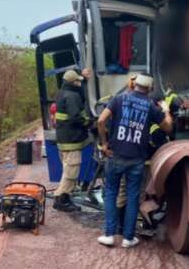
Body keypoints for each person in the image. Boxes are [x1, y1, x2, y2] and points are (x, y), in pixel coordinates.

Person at [96, 73, 173, 248]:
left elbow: (101, 121)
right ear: (150, 89)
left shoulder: (119, 99)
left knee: (110, 193)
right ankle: (128, 238)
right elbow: (168, 128)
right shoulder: (150, 106)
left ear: (133, 85)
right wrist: (167, 110)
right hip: (136, 160)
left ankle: (109, 235)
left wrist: (104, 144)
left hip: (115, 156)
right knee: (132, 197)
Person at [53, 69, 92, 212]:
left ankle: (63, 198)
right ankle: (61, 200)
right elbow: (76, 117)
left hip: (63, 138)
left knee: (67, 170)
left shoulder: (62, 92)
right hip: (71, 140)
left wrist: (85, 80)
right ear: (72, 82)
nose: (79, 83)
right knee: (71, 172)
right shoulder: (72, 96)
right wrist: (89, 123)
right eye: (78, 81)